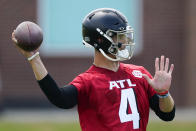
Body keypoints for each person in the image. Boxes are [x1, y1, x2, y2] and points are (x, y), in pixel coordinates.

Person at [12, 8, 175, 131]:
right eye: (119, 36)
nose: (125, 41)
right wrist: (34, 58)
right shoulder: (88, 81)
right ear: (100, 40)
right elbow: (61, 98)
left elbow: (167, 115)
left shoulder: (139, 73)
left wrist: (163, 94)